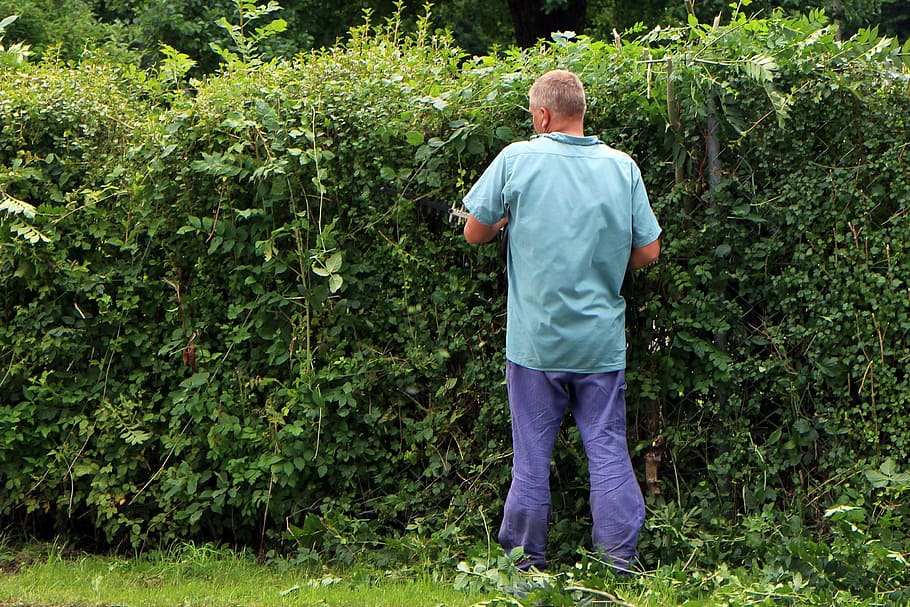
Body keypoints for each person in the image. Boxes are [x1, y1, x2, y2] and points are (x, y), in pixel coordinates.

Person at [461, 70, 661, 571]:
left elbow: (473, 233)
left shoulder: (517, 159)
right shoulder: (623, 167)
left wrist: (505, 222)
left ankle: (525, 567)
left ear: (543, 115)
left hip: (535, 346)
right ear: (582, 112)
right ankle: (619, 561)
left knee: (531, 460)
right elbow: (649, 251)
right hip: (599, 344)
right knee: (608, 450)